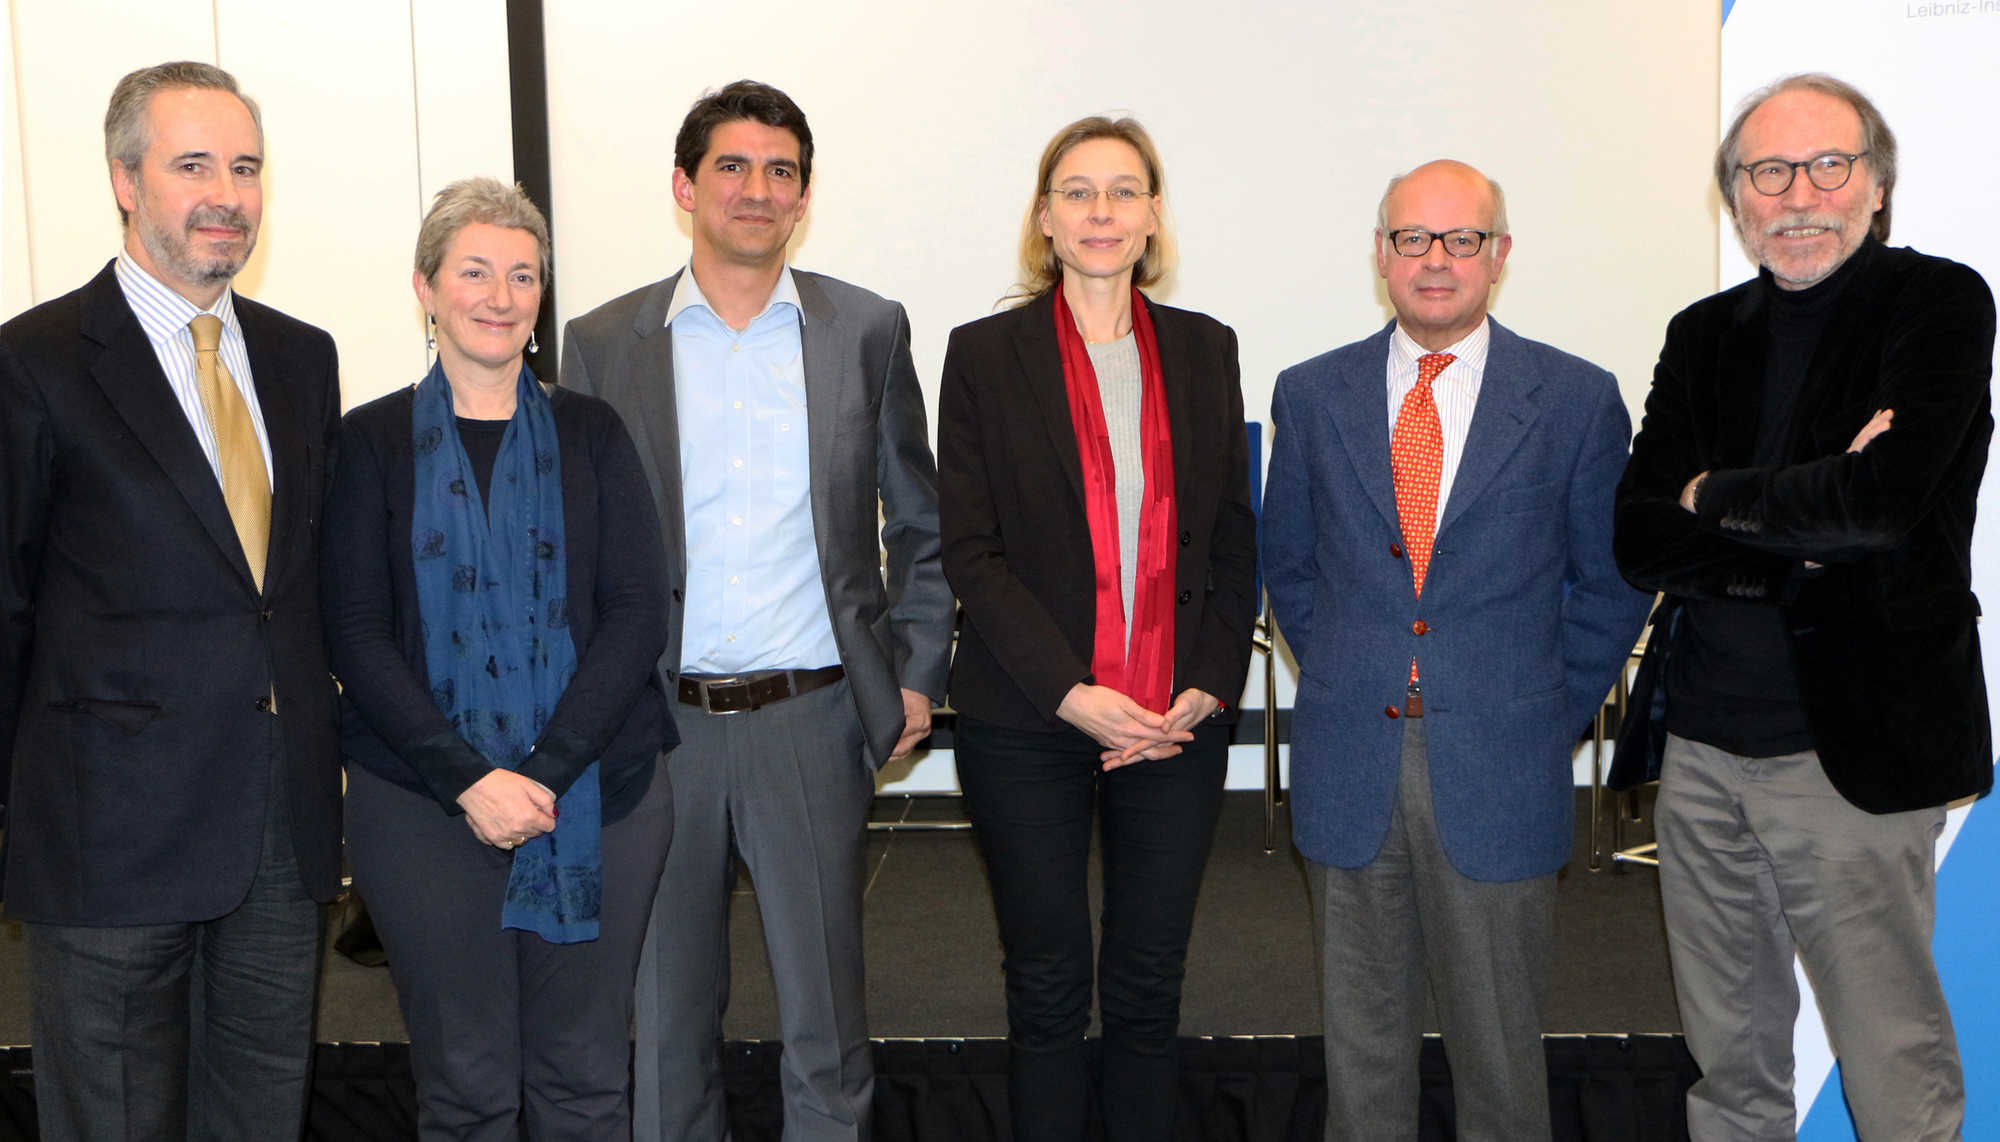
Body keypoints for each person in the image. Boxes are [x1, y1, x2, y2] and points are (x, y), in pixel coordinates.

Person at [560, 80, 955, 1142]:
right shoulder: (600, 343)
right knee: (665, 1015)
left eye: (779, 171)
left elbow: (919, 523)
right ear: (684, 185)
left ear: (804, 197)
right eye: (731, 167)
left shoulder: (865, 329)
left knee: (826, 1017)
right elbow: (576, 545)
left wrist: (916, 672)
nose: (756, 189)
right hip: (656, 726)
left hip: (813, 720)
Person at [1612, 73, 1991, 1141]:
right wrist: (1799, 507)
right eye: (1765, 172)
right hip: (1699, 746)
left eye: (1827, 166)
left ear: (1875, 186)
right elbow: (1639, 533)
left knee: (1892, 1064)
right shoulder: (1701, 332)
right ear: (1733, 196)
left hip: (1853, 752)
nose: (1797, 195)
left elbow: (1877, 509)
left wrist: (1715, 496)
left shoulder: (1936, 303)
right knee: (1725, 1064)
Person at [1261, 159, 1649, 1141]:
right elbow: (1291, 567)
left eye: (1459, 239)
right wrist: (1359, 670)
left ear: (1498, 254)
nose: (1434, 260)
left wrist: (1537, 714)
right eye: (1410, 239)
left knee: (1498, 1060)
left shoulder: (1571, 398)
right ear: (1380, 255)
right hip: (1352, 755)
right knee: (1361, 1054)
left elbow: (1609, 582)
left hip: (1501, 761)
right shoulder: (1309, 394)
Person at [0, 61, 342, 1140]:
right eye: (192, 164)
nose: (226, 194)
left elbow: (293, 596)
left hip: (278, 844)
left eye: (244, 167)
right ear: (124, 180)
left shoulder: (300, 358)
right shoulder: (34, 362)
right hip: (107, 843)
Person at [320, 177, 674, 1139]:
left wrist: (542, 773)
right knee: (467, 1090)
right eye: (474, 271)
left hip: (600, 791)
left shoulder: (595, 434)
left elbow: (638, 614)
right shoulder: (367, 443)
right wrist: (473, 779)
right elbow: (354, 629)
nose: (501, 295)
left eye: (523, 275)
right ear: (426, 289)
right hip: (423, 803)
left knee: (584, 1083)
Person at [936, 116, 1258, 1141]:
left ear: (1153, 214)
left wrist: (1204, 685)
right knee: (1044, 982)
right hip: (1027, 716)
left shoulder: (1205, 349)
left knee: (1146, 985)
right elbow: (970, 551)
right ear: (1043, 217)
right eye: (1077, 191)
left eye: (1123, 191)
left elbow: (1230, 538)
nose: (1101, 211)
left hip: (1173, 719)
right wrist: (1072, 693)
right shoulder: (983, 355)